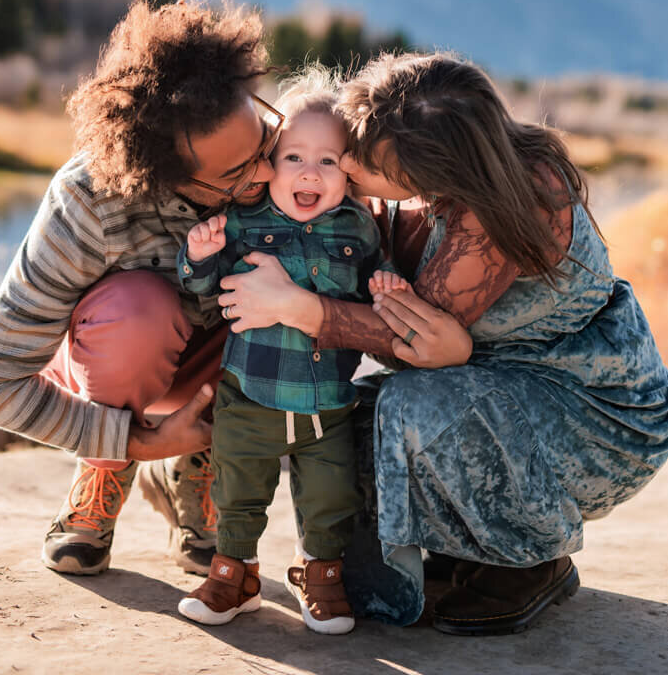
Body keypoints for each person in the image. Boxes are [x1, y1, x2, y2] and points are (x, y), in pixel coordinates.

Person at [210, 51, 668, 635]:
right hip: (494, 390)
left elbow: (415, 345)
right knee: (345, 422)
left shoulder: (518, 195)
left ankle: (530, 561)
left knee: (410, 408)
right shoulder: (406, 191)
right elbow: (421, 341)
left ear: (424, 166)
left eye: (364, 156)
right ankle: (465, 548)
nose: (346, 158)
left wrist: (298, 308)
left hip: (592, 415)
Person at [0, 0, 280, 578]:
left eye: (265, 143)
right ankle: (105, 470)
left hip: (221, 361)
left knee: (289, 307)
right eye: (237, 174)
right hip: (116, 361)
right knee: (137, 307)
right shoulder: (88, 202)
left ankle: (199, 467)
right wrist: (133, 441)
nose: (269, 174)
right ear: (165, 177)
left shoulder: (290, 165)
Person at [175, 69, 395, 634]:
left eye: (328, 161)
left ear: (349, 171)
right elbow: (205, 291)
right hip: (250, 394)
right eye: (294, 157)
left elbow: (377, 282)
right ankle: (235, 573)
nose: (309, 173)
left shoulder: (359, 229)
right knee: (238, 487)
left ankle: (320, 573)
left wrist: (389, 284)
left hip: (328, 403)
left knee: (330, 496)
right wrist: (200, 257)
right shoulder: (244, 226)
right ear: (270, 161)